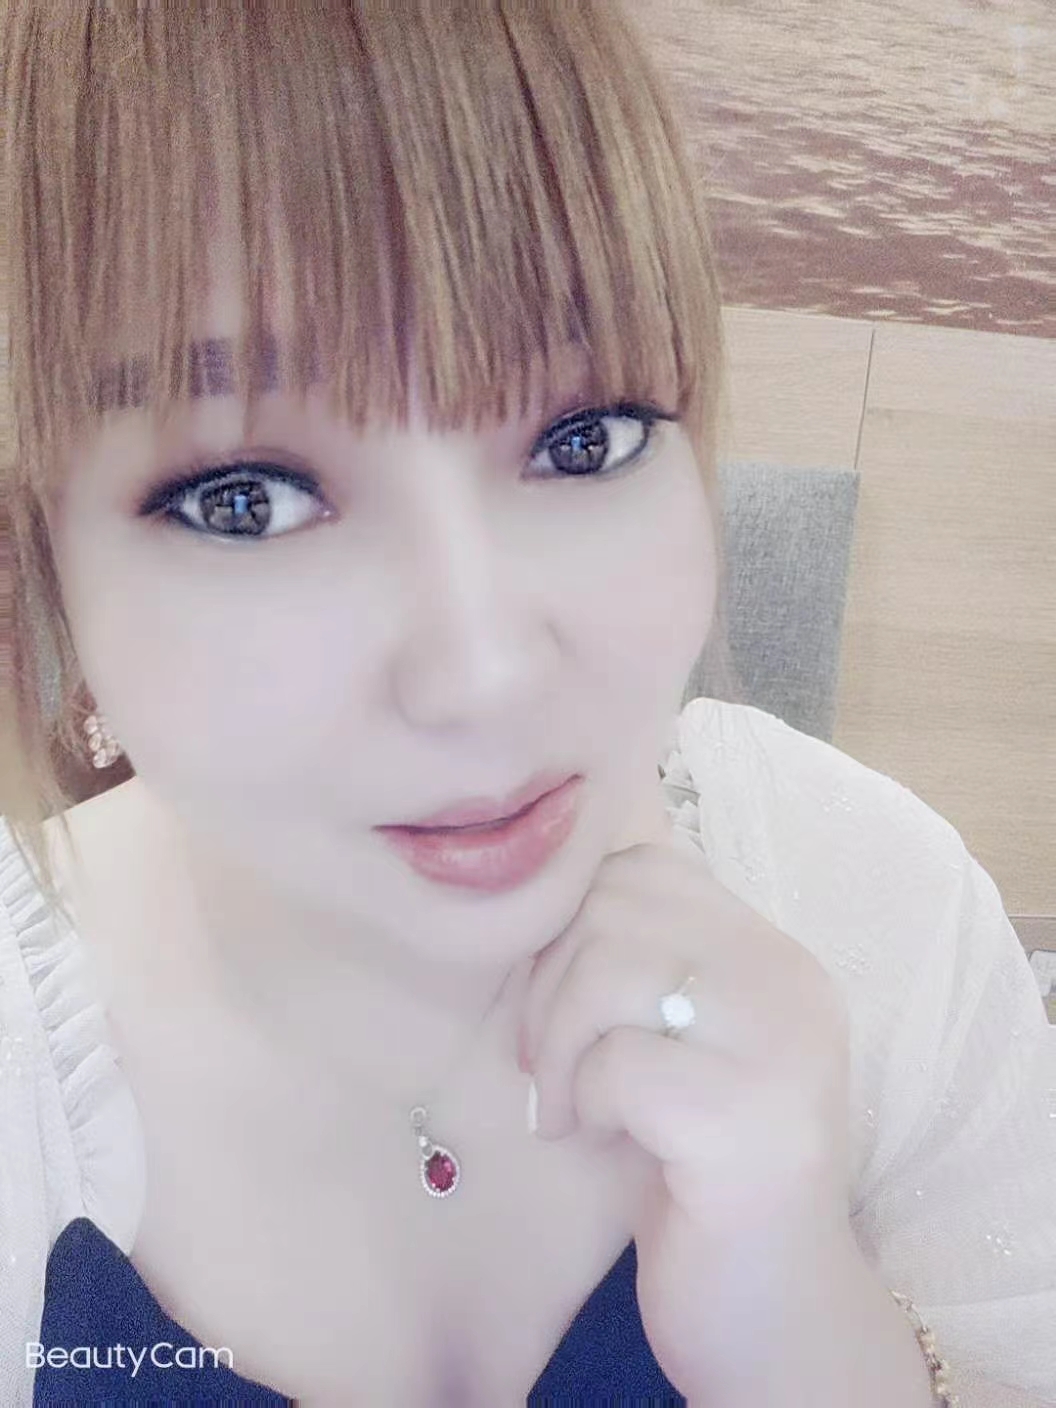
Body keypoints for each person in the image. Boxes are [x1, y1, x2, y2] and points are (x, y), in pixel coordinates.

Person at [1, 3, 1053, 1406]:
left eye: (584, 438)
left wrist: (805, 1324)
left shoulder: (882, 914)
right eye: (245, 499)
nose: (484, 674)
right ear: (44, 553)